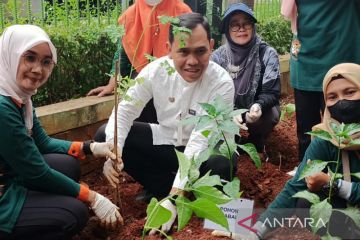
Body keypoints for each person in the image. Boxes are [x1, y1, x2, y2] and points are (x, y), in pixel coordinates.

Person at [102, 12, 235, 234]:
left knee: (222, 162)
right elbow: (125, 111)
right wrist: (112, 152)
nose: (192, 61)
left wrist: (176, 197)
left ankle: (198, 201)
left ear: (211, 46)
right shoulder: (156, 71)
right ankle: (161, 188)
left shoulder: (221, 83)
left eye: (200, 51)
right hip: (170, 141)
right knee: (106, 136)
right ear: (169, 48)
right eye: (183, 51)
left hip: (206, 154)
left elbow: (200, 140)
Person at [0, 25, 123, 239]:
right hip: (4, 198)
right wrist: (93, 198)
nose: (38, 69)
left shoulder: (20, 97)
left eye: (46, 62)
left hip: (13, 176)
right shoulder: (2, 108)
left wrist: (92, 147)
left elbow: (43, 143)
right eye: (29, 58)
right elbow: (36, 172)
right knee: (73, 214)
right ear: (10, 55)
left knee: (67, 165)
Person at [245, 63, 360, 239]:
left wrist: (334, 185)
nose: (341, 102)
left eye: (350, 92)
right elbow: (295, 185)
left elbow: (333, 186)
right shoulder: (327, 137)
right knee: (305, 202)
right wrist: (258, 230)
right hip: (352, 209)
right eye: (332, 97)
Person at [283, 0, 360, 162]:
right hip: (304, 56)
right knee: (306, 127)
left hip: (340, 53)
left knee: (343, 125)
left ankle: (343, 172)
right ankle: (306, 169)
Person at [211, 3, 281, 153]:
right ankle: (230, 138)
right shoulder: (217, 58)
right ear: (228, 30)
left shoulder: (267, 54)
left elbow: (271, 92)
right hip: (227, 110)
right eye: (235, 25)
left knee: (270, 116)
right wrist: (228, 113)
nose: (241, 29)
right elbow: (211, 93)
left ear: (253, 27)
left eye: (246, 24)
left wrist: (259, 106)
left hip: (254, 110)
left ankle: (256, 138)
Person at [87, 0, 192, 97]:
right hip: (142, 86)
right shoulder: (130, 15)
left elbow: (191, 53)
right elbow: (122, 53)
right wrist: (112, 84)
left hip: (176, 85)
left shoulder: (182, 12)